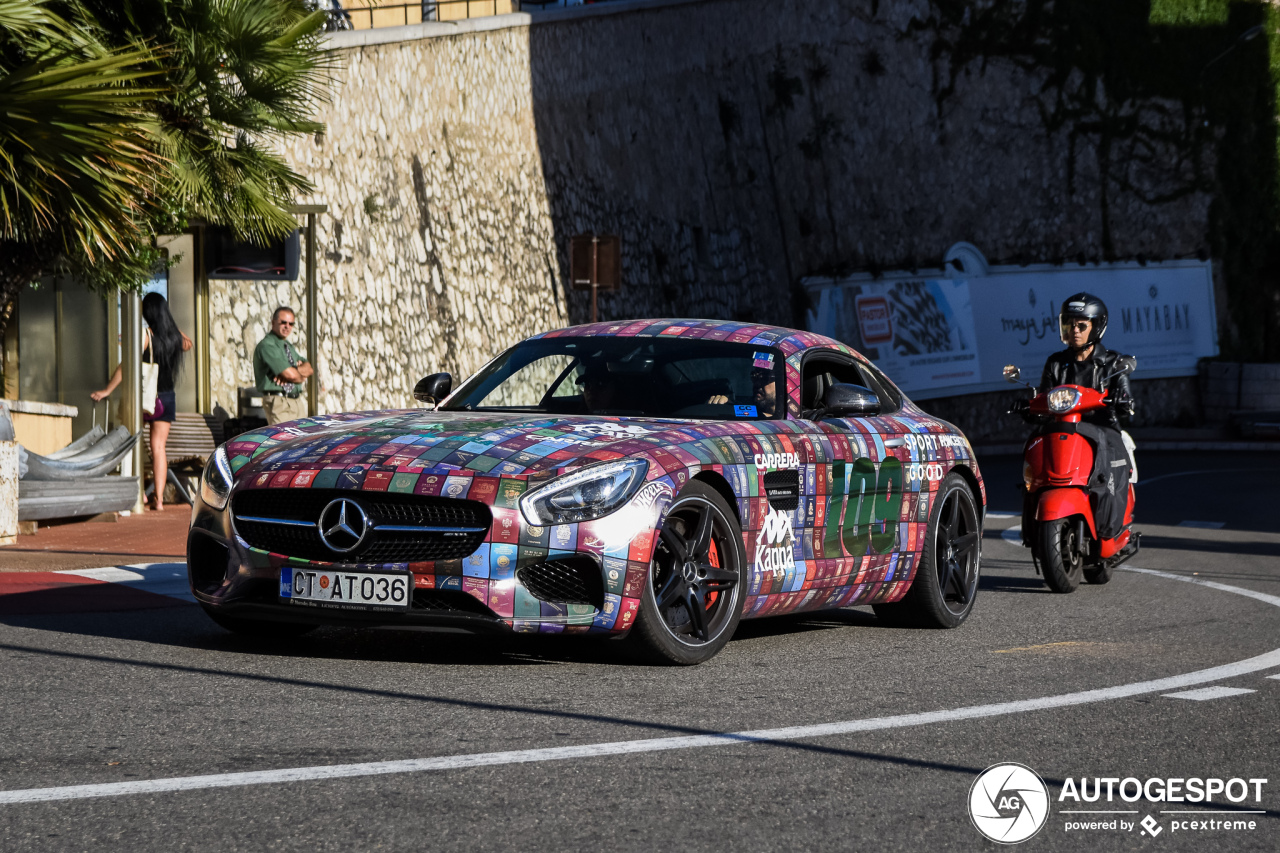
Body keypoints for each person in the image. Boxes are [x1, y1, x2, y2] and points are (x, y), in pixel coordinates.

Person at [91, 292, 193, 511]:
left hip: (145, 398)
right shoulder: (175, 338)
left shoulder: (146, 335)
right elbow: (188, 343)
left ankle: (137, 493)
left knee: (131, 440)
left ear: (147, 312)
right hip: (166, 399)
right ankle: (159, 499)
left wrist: (108, 390)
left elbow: (127, 365)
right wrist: (171, 326)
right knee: (158, 448)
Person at [1038, 292, 1134, 429]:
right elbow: (1044, 403)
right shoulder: (1055, 363)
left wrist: (1121, 399)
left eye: (1081, 326)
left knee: (1118, 450)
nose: (1075, 330)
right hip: (1062, 428)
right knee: (1033, 446)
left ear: (1095, 327)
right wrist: (1029, 409)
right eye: (1070, 325)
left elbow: (1127, 406)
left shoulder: (1114, 362)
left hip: (1103, 428)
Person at [253, 306, 314, 425]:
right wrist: (299, 376)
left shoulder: (287, 346)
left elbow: (309, 368)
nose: (287, 327)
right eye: (283, 322)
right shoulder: (267, 345)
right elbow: (291, 376)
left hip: (296, 401)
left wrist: (295, 370)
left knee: (303, 442)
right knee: (284, 441)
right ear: (273, 322)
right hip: (279, 402)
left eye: (291, 324)